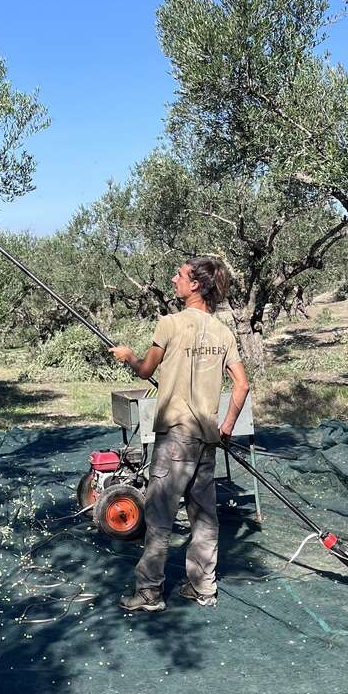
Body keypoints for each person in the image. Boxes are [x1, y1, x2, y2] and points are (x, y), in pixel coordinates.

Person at [109, 256, 249, 613]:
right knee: (204, 517)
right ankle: (203, 588)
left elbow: (145, 371)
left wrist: (127, 356)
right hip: (207, 438)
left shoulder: (169, 324)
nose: (174, 279)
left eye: (180, 275)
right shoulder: (223, 332)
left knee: (158, 518)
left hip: (174, 438)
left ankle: (149, 593)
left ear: (196, 285)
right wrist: (227, 427)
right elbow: (242, 386)